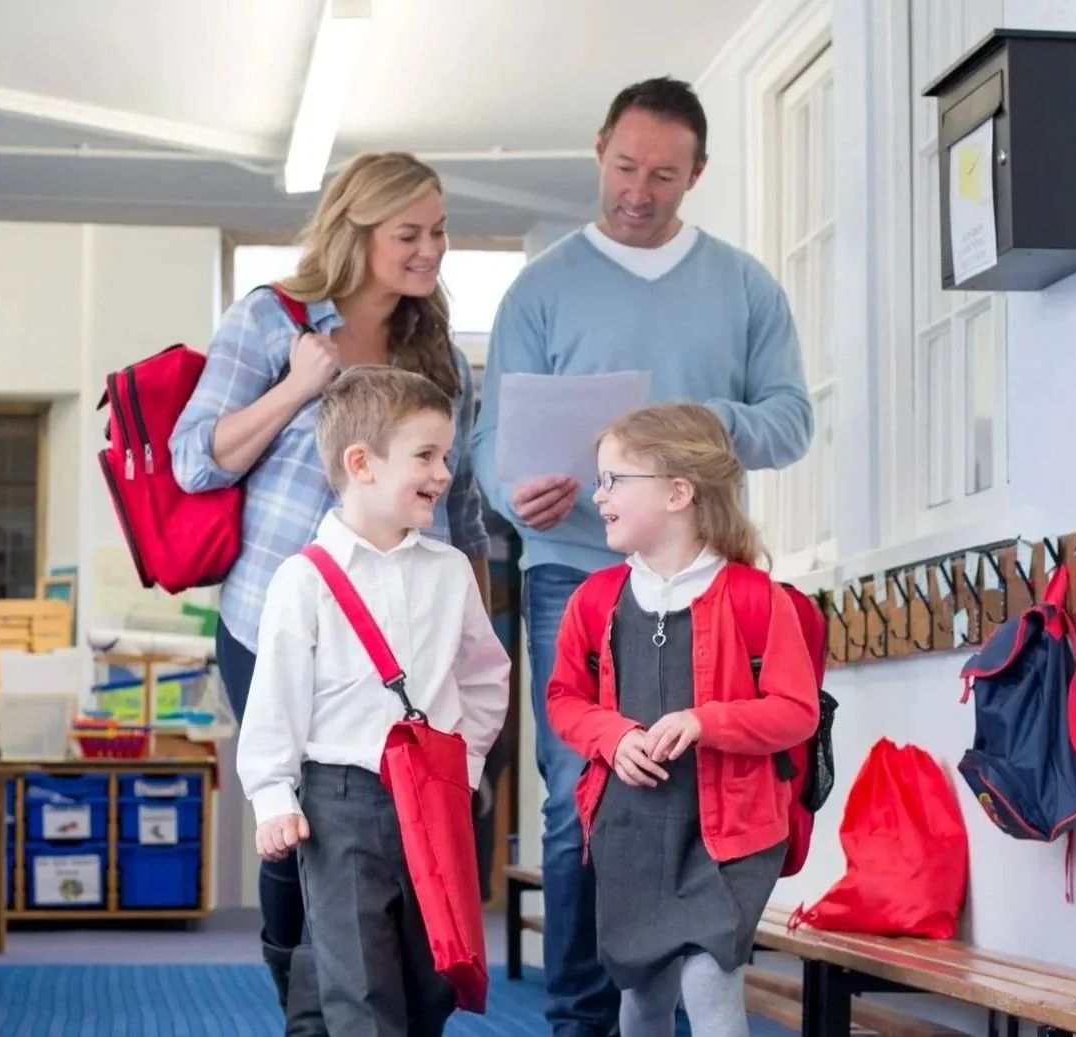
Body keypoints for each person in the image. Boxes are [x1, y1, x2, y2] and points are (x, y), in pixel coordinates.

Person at [469, 77, 814, 1034]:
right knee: (581, 792)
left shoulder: (743, 286)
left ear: (695, 174)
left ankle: (690, 975)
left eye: (663, 174)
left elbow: (791, 421)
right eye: (624, 167)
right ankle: (582, 1016)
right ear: (598, 152)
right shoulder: (542, 289)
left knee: (702, 783)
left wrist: (695, 426)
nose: (638, 189)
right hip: (572, 563)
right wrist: (514, 493)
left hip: (702, 573)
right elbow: (494, 439)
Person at [169, 152, 492, 1033]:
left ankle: (357, 999)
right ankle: (302, 999)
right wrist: (298, 387)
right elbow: (194, 458)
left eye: (438, 231)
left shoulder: (435, 349)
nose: (430, 250)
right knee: (300, 816)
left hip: (401, 624)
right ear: (356, 234)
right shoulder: (272, 320)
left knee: (391, 827)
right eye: (408, 234)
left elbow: (457, 503)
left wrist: (472, 620)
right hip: (277, 604)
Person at [237, 366, 511, 1037]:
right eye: (425, 455)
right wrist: (273, 796)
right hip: (342, 799)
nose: (443, 472)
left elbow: (483, 674)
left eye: (445, 455)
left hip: (435, 796)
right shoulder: (304, 579)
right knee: (358, 975)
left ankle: (312, 1020)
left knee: (431, 974)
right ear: (360, 463)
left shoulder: (448, 570)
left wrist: (464, 762)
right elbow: (274, 697)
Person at [545, 404, 818, 1037]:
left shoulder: (758, 600)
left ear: (678, 492)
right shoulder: (594, 599)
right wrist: (613, 739)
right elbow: (564, 699)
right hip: (631, 831)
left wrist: (706, 721)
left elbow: (796, 712)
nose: (598, 494)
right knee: (643, 998)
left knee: (709, 982)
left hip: (730, 834)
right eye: (600, 479)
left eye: (615, 480)